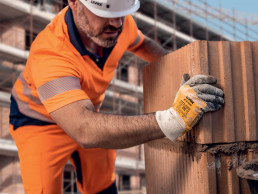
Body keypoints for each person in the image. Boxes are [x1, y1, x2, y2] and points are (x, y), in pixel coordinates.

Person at [9, 0, 224, 193]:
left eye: (122, 13)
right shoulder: (50, 54)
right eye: (105, 13)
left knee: (102, 184)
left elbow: (143, 44)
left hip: (87, 112)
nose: (117, 24)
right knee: (43, 189)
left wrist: (180, 70)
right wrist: (173, 119)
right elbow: (83, 128)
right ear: (73, 2)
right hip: (39, 123)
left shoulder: (120, 25)